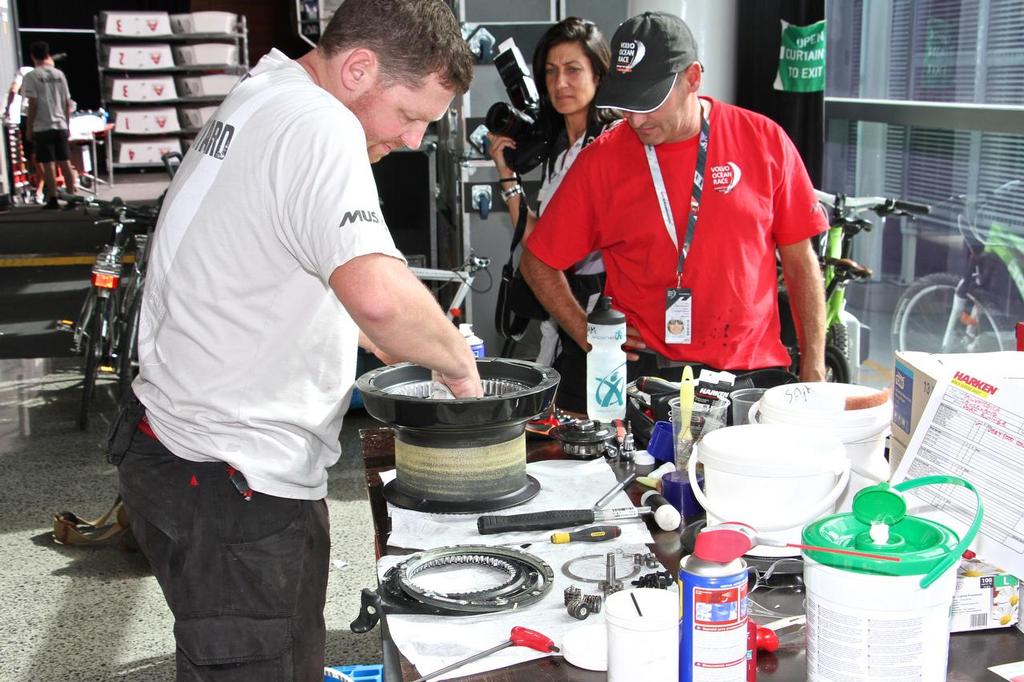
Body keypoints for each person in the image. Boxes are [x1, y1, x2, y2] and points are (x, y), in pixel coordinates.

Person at [111, 1, 480, 678]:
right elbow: (376, 293)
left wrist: (383, 335)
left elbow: (280, 261)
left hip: (182, 455)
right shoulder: (318, 122)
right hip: (235, 479)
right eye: (410, 115)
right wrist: (460, 365)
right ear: (358, 67)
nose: (412, 139)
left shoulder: (265, 93)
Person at [520, 11, 827, 387]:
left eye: (649, 101)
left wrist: (814, 365)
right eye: (626, 103)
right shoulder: (603, 160)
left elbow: (800, 261)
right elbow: (537, 262)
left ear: (693, 78)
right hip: (648, 375)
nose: (635, 120)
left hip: (750, 373)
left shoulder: (764, 140)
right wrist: (584, 331)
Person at [488, 17, 617, 413]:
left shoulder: (612, 146)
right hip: (552, 305)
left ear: (598, 74)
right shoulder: (559, 151)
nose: (560, 83)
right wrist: (506, 174)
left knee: (587, 415)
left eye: (573, 70)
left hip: (593, 310)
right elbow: (537, 242)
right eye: (551, 71)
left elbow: (558, 248)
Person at [20, 41, 76, 208]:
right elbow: (67, 102)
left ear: (32, 56)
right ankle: (72, 196)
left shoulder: (32, 76)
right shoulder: (59, 74)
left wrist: (29, 128)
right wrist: (67, 124)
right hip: (60, 123)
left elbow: (33, 103)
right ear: (47, 54)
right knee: (65, 161)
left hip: (43, 125)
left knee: (48, 163)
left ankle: (52, 198)